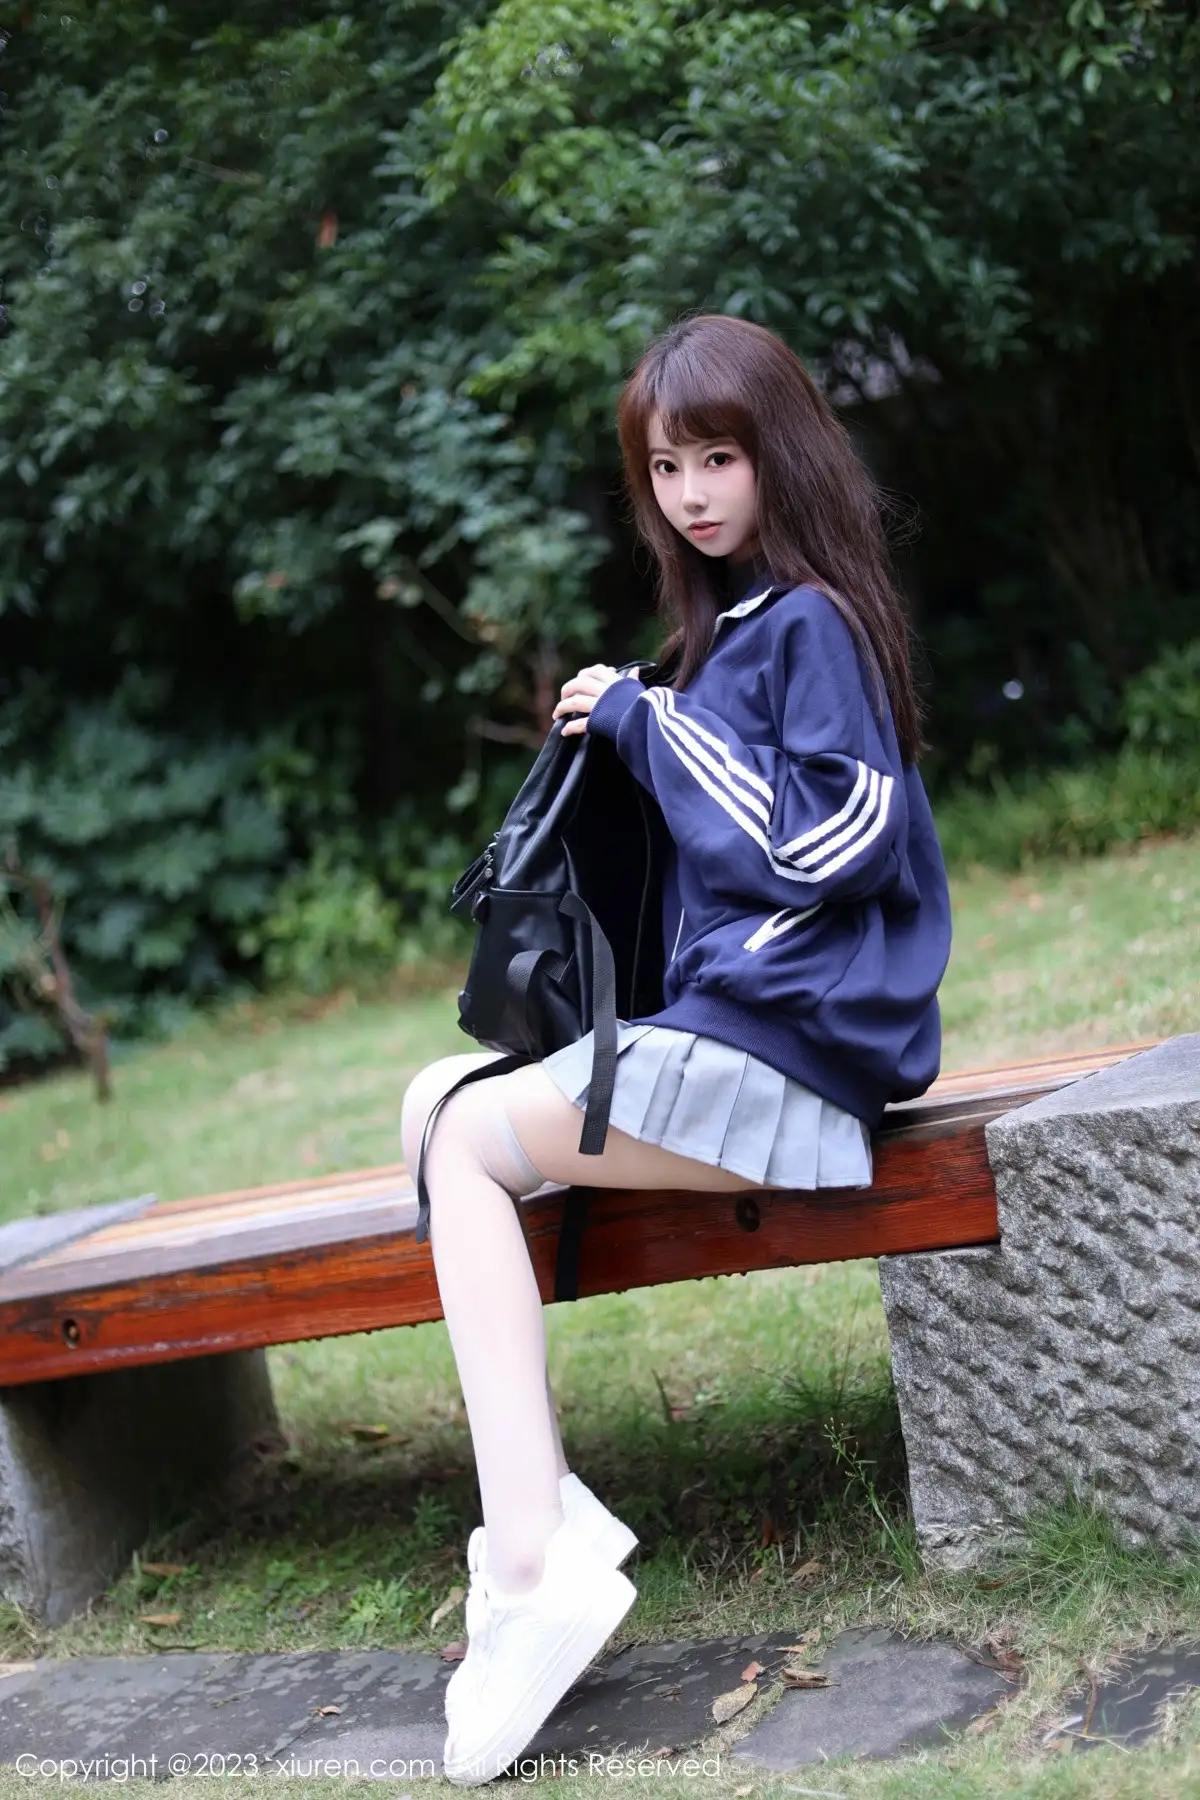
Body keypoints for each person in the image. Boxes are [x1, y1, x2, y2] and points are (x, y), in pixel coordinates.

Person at [400, 313, 952, 1785]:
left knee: (462, 1141)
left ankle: (532, 1567)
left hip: (795, 1054)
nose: (693, 492)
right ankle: (543, 1517)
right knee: (434, 1101)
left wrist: (650, 723)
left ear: (782, 456)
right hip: (742, 1035)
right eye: (666, 466)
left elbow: (840, 834)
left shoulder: (812, 621)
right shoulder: (730, 638)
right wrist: (641, 720)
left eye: (719, 457)